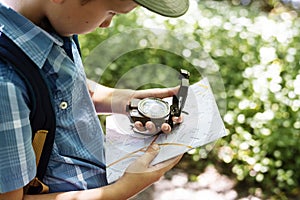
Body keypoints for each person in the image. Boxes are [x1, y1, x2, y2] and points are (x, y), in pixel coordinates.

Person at [0, 0, 189, 199]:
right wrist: (122, 189)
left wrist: (129, 100)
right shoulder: (6, 83)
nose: (107, 24)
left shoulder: (54, 24)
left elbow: (64, 86)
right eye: (111, 12)